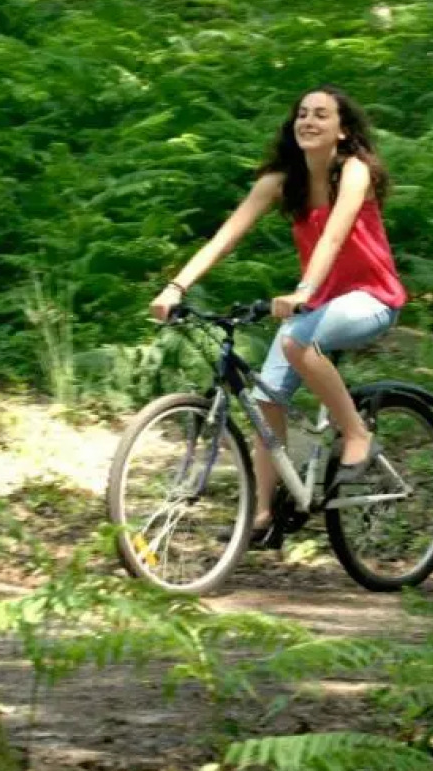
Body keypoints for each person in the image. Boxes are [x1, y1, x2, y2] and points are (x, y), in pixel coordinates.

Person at [150, 86, 408, 544]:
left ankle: (356, 436)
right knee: (267, 396)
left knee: (295, 341)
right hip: (318, 304)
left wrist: (303, 290)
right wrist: (176, 287)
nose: (308, 121)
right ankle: (264, 516)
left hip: (372, 298)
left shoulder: (353, 171)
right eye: (302, 114)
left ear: (342, 129)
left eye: (321, 115)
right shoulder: (281, 180)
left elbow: (333, 235)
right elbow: (224, 236)